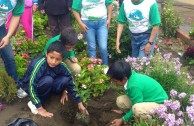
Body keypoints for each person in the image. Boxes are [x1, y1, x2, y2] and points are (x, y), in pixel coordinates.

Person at [19, 41, 89, 117]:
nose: (53, 62)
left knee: (65, 80)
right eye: (51, 57)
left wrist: (79, 102)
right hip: (31, 87)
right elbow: (31, 85)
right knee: (48, 80)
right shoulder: (39, 64)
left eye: (58, 59)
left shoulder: (62, 66)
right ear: (46, 54)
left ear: (62, 59)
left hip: (47, 84)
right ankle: (33, 103)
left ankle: (49, 97)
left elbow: (71, 81)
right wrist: (40, 108)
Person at [107, 60, 168, 126]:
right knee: (120, 101)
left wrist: (122, 119)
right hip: (146, 99)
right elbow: (134, 99)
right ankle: (133, 116)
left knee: (137, 109)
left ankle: (153, 123)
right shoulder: (130, 78)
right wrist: (124, 112)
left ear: (124, 78)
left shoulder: (134, 86)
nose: (113, 83)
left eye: (115, 81)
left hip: (160, 105)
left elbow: (136, 104)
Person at [72, 0, 113, 65]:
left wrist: (109, 19)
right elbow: (74, 9)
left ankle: (106, 67)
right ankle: (93, 70)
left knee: (103, 47)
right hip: (87, 24)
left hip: (102, 23)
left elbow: (109, 3)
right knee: (91, 47)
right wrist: (80, 23)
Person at [0, 0, 24, 84]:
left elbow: (16, 16)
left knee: (9, 58)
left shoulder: (19, 1)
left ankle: (14, 85)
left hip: (0, 28)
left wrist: (8, 36)